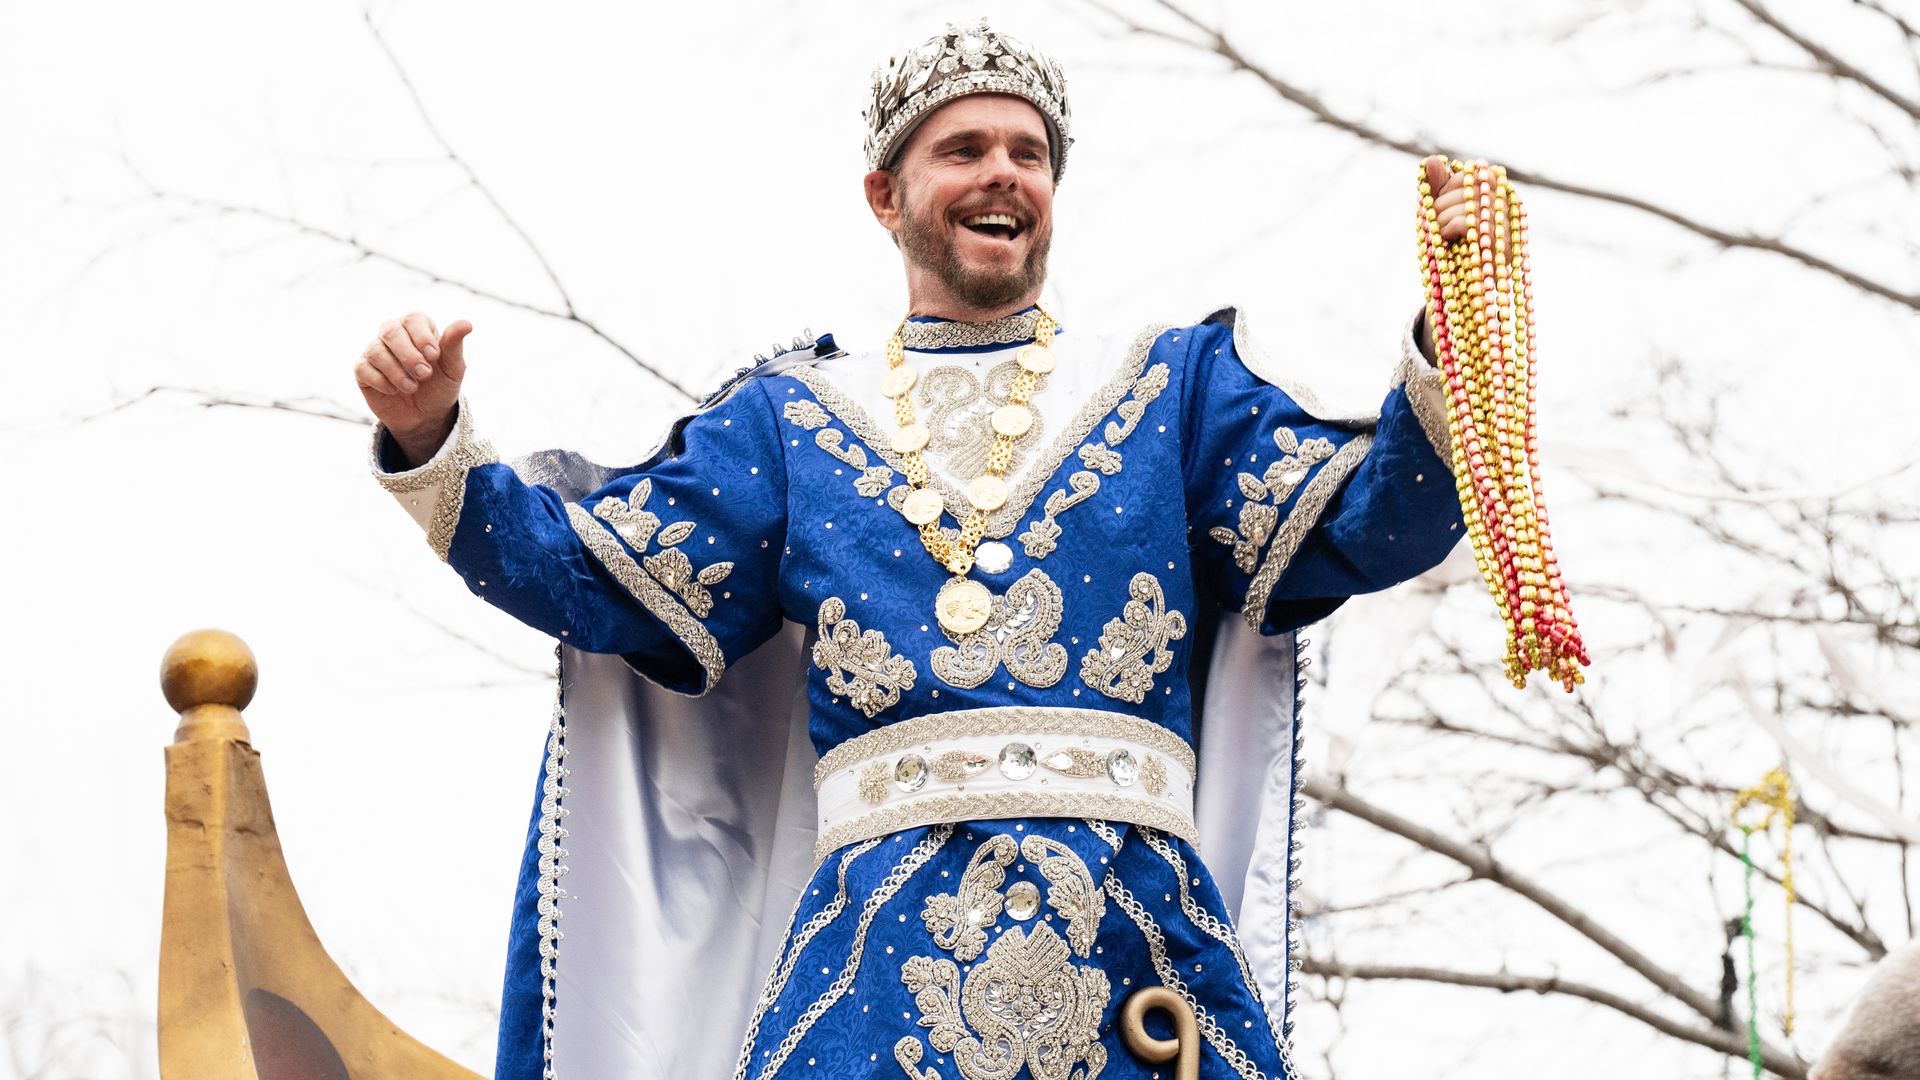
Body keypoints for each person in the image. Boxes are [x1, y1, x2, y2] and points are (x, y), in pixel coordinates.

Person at [356, 19, 1480, 1080]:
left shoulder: (1170, 387)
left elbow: (1364, 521)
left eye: (1029, 153)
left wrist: (1452, 340)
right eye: (966, 148)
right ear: (886, 198)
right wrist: (430, 437)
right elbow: (600, 579)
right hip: (878, 971)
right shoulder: (791, 421)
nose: (1004, 171)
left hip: (1141, 946)